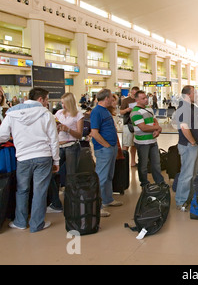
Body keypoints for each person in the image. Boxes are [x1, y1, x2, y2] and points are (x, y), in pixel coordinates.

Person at [0, 87, 59, 232]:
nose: (47, 103)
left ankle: (20, 222)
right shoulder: (47, 115)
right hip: (43, 156)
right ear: (40, 99)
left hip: (22, 157)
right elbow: (54, 140)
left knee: (22, 190)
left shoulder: (12, 113)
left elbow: (2, 136)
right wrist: (56, 160)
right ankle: (36, 224)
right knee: (40, 191)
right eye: (46, 100)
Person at [47, 93, 84, 213]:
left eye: (64, 103)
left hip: (72, 146)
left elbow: (79, 135)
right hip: (59, 146)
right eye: (61, 103)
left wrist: (68, 129)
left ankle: (72, 202)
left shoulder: (78, 115)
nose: (62, 105)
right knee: (52, 174)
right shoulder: (58, 113)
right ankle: (56, 202)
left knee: (71, 176)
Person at [90, 89, 121, 217]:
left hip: (111, 147)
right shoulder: (97, 111)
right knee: (101, 177)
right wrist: (107, 145)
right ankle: (98, 205)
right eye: (111, 98)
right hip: (104, 149)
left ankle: (108, 199)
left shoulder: (105, 111)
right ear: (106, 98)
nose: (112, 100)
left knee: (109, 175)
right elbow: (94, 132)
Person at [173, 85, 198, 210]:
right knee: (187, 174)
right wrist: (193, 142)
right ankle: (180, 201)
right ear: (189, 94)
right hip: (188, 145)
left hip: (193, 144)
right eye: (194, 93)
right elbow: (184, 127)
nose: (196, 95)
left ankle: (188, 198)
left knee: (192, 174)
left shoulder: (191, 107)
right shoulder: (184, 107)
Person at [130, 90, 165, 187]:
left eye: (146, 97)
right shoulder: (135, 112)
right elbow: (143, 127)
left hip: (153, 141)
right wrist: (157, 128)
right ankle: (144, 183)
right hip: (142, 142)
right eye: (143, 98)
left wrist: (157, 130)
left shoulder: (149, 109)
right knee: (143, 165)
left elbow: (154, 120)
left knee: (156, 163)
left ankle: (160, 182)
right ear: (137, 100)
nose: (146, 100)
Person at [120, 86, 139, 167]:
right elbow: (121, 112)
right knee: (126, 144)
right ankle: (123, 162)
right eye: (133, 93)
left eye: (136, 94)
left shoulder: (139, 100)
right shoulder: (125, 101)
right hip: (128, 124)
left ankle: (133, 161)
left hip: (137, 124)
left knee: (134, 145)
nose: (134, 95)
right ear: (131, 93)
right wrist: (127, 110)